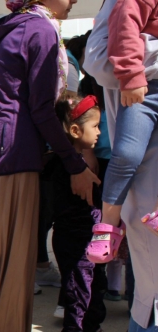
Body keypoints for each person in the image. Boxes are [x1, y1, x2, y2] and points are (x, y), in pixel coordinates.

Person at [0, 0, 101, 330]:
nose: (73, 0)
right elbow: (41, 109)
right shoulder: (40, 29)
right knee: (11, 265)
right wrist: (74, 164)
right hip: (15, 152)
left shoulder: (16, 26)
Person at [86, 0, 158, 265]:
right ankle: (108, 225)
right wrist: (131, 76)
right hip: (145, 87)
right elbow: (124, 25)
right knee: (126, 153)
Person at [46, 96, 107, 332]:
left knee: (94, 289)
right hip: (74, 241)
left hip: (89, 242)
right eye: (95, 126)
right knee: (78, 294)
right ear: (74, 130)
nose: (99, 132)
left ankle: (92, 328)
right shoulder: (67, 165)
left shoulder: (77, 161)